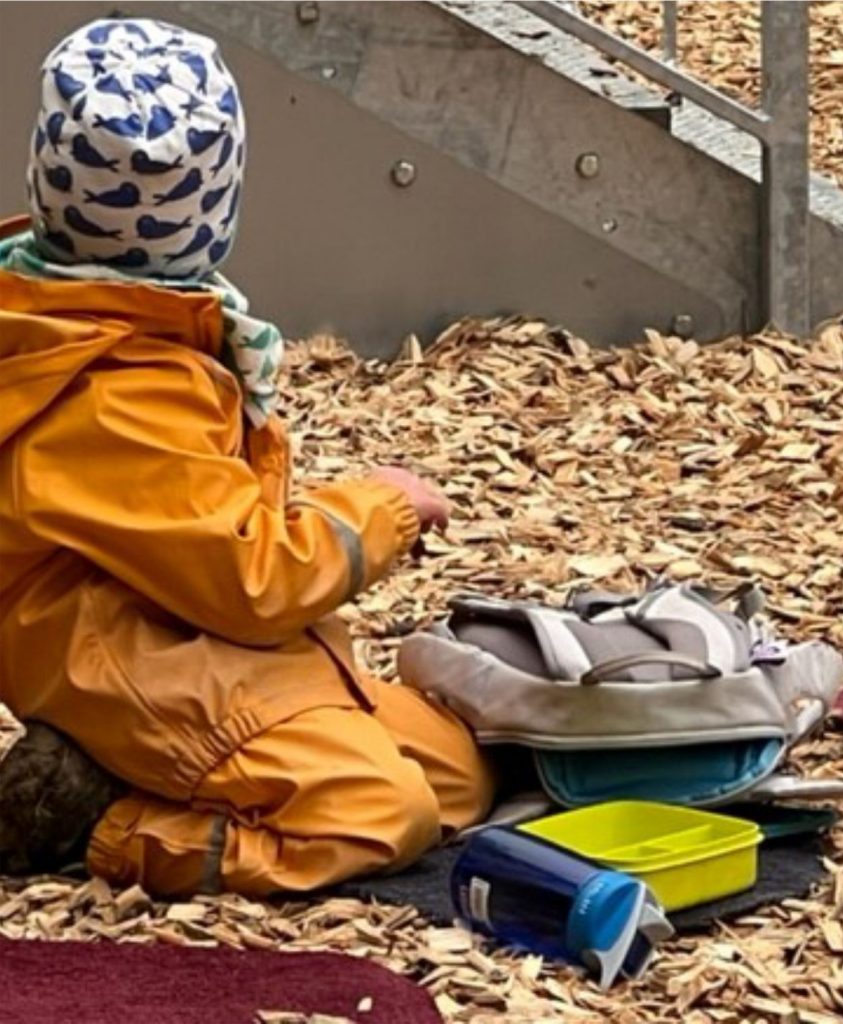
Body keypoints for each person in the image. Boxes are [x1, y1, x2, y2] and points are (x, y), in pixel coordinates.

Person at [0, 17, 494, 896]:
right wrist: (379, 508)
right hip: (124, 653)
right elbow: (251, 579)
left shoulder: (99, 318)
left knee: (459, 773)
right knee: (383, 811)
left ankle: (127, 775)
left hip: (179, 620)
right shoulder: (117, 390)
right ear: (217, 210)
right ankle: (101, 822)